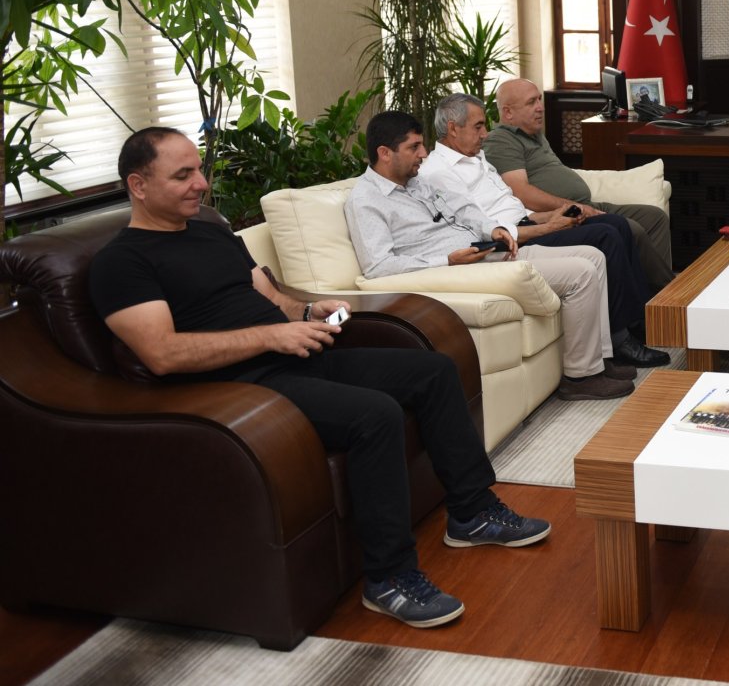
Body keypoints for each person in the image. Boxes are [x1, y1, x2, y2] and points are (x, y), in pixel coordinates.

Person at [87, 127, 551, 630]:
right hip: (239, 388)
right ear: (138, 185)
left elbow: (271, 298)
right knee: (375, 415)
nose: (200, 183)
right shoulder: (122, 262)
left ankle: (472, 512)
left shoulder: (211, 229)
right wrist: (270, 337)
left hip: (293, 354)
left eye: (199, 170)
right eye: (182, 175)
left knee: (433, 370)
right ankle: (389, 578)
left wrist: (307, 310)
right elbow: (162, 353)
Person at [346, 110, 632, 402]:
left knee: (593, 256)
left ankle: (598, 360)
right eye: (414, 147)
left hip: (487, 253)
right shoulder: (366, 200)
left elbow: (466, 210)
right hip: (455, 271)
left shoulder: (418, 182)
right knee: (581, 273)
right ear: (384, 153)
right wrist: (448, 260)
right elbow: (378, 266)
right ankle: (581, 378)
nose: (424, 154)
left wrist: (493, 229)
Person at [420, 94, 670, 368]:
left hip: (529, 223)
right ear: (453, 128)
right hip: (513, 242)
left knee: (616, 224)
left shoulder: (477, 157)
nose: (485, 134)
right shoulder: (438, 173)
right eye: (478, 126)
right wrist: (548, 227)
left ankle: (636, 322)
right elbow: (479, 229)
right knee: (606, 236)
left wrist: (550, 215)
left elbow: (512, 207)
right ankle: (620, 340)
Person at [485, 78, 674, 290]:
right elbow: (521, 193)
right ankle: (669, 294)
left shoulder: (534, 133)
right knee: (632, 229)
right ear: (508, 112)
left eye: (539, 99)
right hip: (566, 214)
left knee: (654, 217)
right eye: (531, 102)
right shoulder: (501, 140)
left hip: (587, 204)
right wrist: (575, 206)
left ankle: (657, 292)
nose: (540, 107)